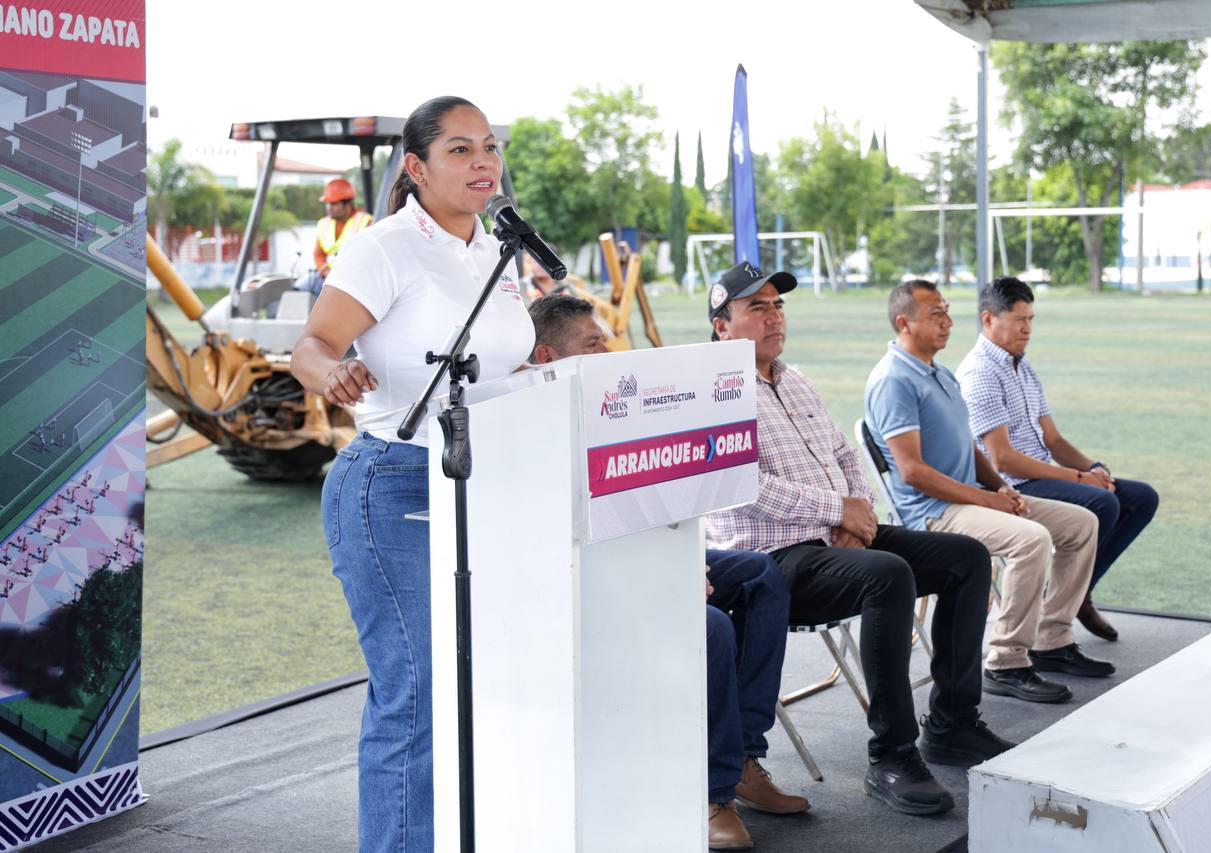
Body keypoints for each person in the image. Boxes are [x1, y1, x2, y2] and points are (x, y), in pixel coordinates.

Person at [290, 96, 532, 853]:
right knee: (418, 694)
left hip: (485, 485)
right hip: (392, 484)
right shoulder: (384, 246)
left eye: (489, 147)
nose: (483, 162)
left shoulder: (497, 248)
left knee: (480, 686)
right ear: (416, 167)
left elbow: (506, 361)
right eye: (460, 150)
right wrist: (332, 374)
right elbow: (310, 346)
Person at [704, 261, 1012, 818]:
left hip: (835, 536)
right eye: (758, 308)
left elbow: (845, 454)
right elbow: (740, 486)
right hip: (773, 560)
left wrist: (860, 513)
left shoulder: (793, 378)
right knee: (888, 574)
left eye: (778, 305)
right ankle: (892, 756)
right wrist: (835, 510)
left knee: (967, 557)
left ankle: (951, 722)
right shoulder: (714, 389)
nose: (775, 317)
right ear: (722, 327)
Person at [529, 293, 806, 849]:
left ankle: (746, 755)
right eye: (593, 344)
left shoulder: (600, 404)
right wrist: (668, 576)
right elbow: (565, 548)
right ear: (544, 356)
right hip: (580, 584)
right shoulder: (530, 427)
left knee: (758, 577)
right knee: (710, 625)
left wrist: (683, 562)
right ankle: (711, 795)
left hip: (643, 557)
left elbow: (654, 502)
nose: (608, 351)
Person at [864, 280, 1111, 710]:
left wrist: (1001, 487)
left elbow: (972, 448)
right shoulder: (893, 380)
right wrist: (987, 499)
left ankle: (1051, 639)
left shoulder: (940, 372)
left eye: (946, 311)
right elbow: (913, 471)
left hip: (971, 498)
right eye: (935, 315)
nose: (947, 322)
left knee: (1082, 523)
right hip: (933, 513)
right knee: (1030, 539)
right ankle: (1006, 661)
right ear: (904, 323)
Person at [956, 277, 1159, 642]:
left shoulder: (1022, 366)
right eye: (1019, 319)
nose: (1028, 328)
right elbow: (1003, 460)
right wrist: (1079, 480)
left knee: (1141, 497)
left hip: (1042, 474)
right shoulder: (980, 372)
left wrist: (1094, 468)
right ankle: (1062, 611)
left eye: (1031, 319)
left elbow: (1053, 438)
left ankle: (1074, 596)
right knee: (1102, 502)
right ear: (988, 320)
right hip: (1015, 485)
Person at [297, 178, 375, 295]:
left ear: (348, 204)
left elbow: (369, 258)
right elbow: (318, 254)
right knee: (299, 290)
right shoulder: (324, 224)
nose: (329, 207)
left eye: (333, 204)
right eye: (328, 204)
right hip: (329, 278)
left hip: (354, 281)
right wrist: (326, 273)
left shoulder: (365, 222)